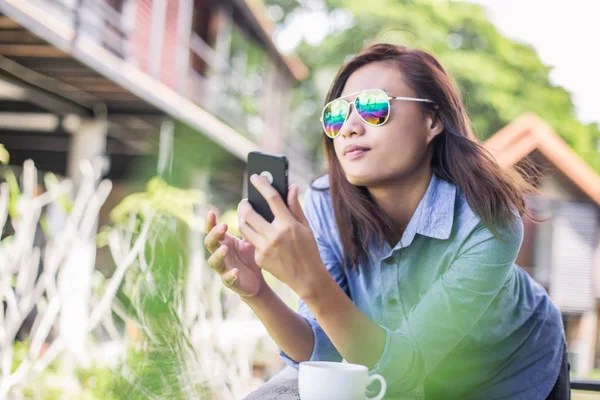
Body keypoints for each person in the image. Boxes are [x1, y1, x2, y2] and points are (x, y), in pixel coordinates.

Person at [204, 43, 569, 399]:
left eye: (373, 107)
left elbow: (401, 374)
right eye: (337, 114)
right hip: (390, 366)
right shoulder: (322, 205)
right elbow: (328, 352)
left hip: (507, 370)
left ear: (433, 120)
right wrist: (259, 294)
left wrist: (309, 278)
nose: (349, 128)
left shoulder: (488, 221)